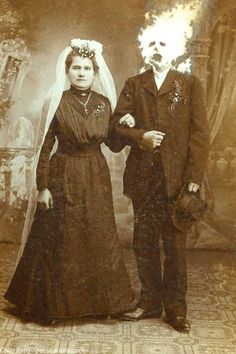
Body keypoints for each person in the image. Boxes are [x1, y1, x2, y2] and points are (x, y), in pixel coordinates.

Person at [4, 39, 135, 323]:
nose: (81, 73)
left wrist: (124, 127)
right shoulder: (56, 102)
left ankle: (107, 304)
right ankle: (53, 307)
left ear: (95, 72)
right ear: (67, 70)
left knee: (99, 235)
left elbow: (112, 145)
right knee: (63, 237)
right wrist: (43, 186)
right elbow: (43, 146)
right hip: (63, 173)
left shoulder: (103, 103)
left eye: (87, 68)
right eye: (76, 67)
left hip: (95, 175)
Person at [111, 36, 210, 332]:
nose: (157, 48)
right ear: (145, 48)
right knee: (144, 242)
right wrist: (139, 136)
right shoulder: (134, 84)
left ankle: (176, 309)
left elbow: (199, 135)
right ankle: (150, 302)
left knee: (175, 246)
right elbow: (116, 129)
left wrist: (193, 178)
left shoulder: (189, 84)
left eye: (164, 43)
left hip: (177, 182)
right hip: (143, 180)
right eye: (152, 43)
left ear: (175, 50)